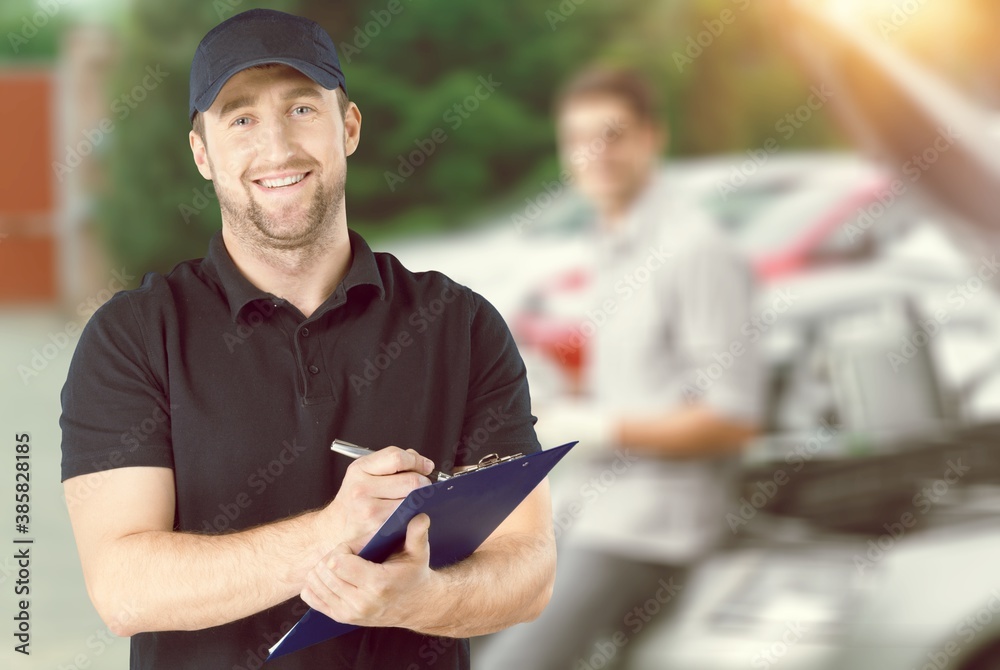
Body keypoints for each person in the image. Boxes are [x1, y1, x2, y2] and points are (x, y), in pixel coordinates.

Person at [59, 9, 555, 670]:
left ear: (347, 127)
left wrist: (418, 599)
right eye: (240, 119)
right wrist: (332, 533)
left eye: (301, 109)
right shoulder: (133, 337)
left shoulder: (460, 326)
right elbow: (122, 588)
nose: (277, 148)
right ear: (202, 153)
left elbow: (529, 569)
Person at [477, 67, 764, 669]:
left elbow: (735, 418)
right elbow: (644, 385)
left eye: (614, 135)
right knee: (433, 620)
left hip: (653, 527)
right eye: (579, 138)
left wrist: (594, 429)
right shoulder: (611, 246)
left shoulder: (694, 249)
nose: (596, 153)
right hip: (587, 505)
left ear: (652, 138)